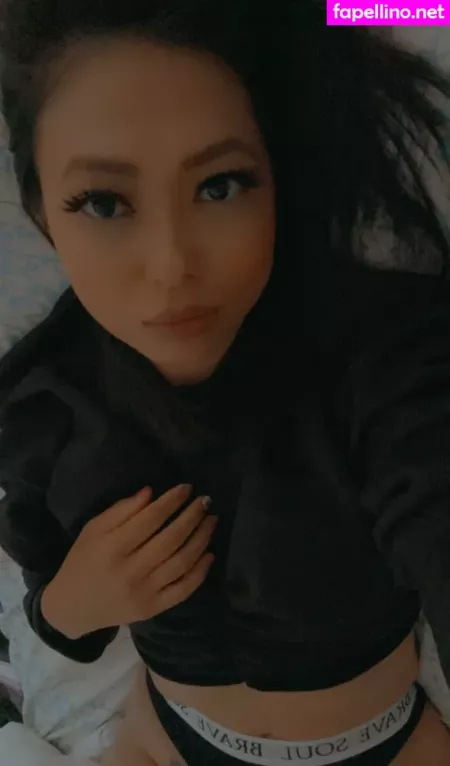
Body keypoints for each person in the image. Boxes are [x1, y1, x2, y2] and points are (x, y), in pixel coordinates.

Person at [1, 1, 450, 764]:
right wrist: (76, 600)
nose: (171, 265)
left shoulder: (388, 359)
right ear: (44, 210)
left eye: (220, 186)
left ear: (277, 179)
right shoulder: (42, 399)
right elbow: (47, 602)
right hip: (164, 741)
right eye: (104, 202)